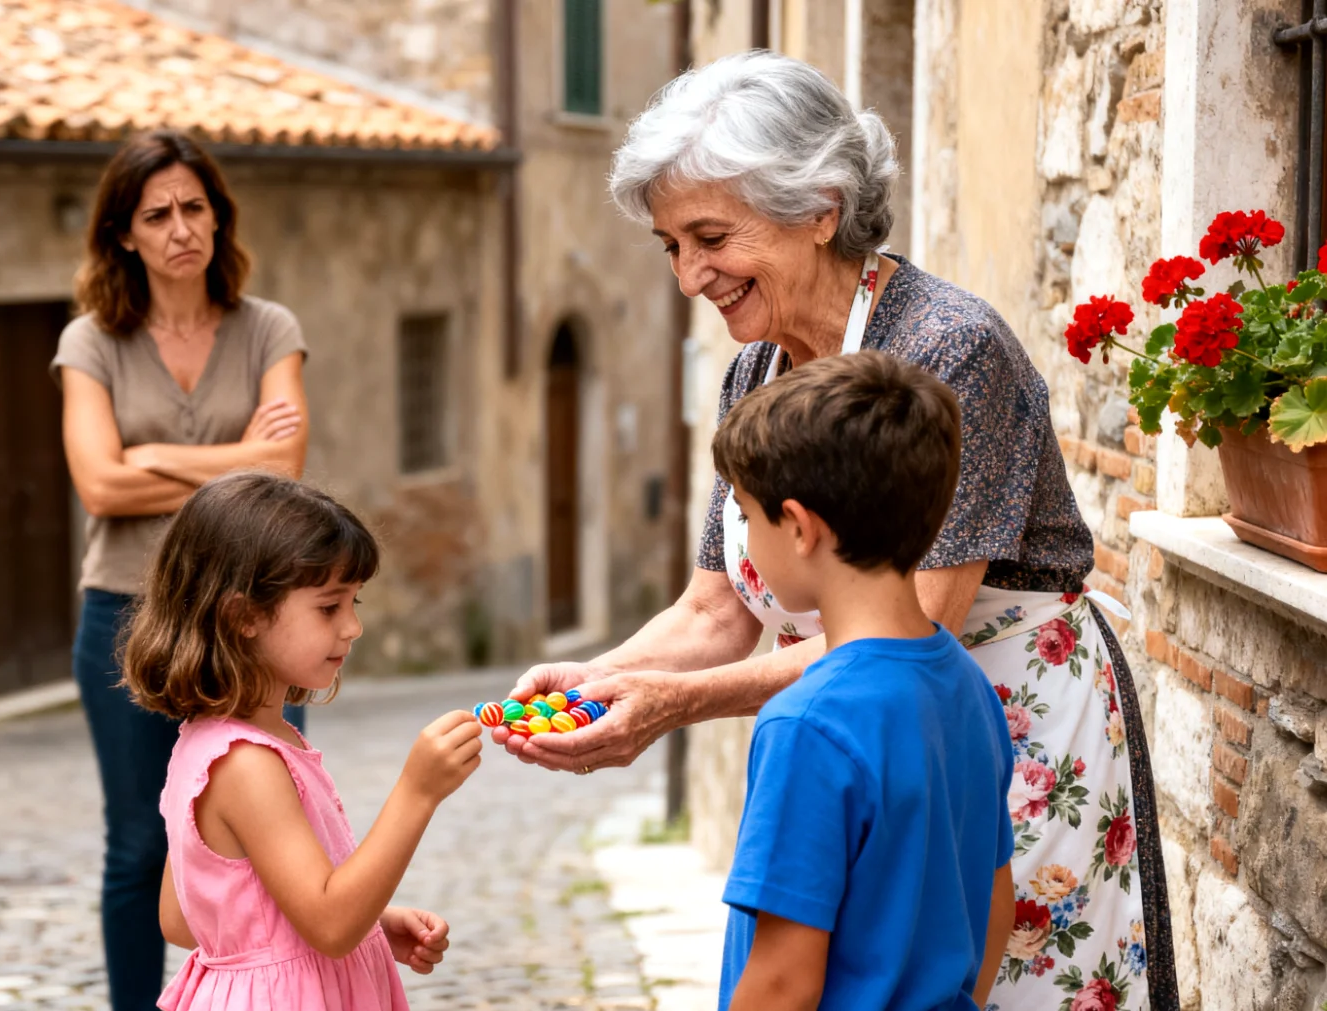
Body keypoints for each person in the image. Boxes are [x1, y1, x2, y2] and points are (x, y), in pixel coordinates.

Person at [496, 52, 1177, 1011]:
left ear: (819, 207)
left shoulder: (948, 349)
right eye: (670, 246)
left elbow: (914, 619)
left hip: (1003, 731)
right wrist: (606, 682)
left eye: (710, 236)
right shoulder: (755, 372)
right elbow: (716, 604)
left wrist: (670, 705)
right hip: (887, 735)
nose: (691, 276)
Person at [53, 130, 310, 1009]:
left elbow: (287, 472)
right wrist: (235, 455)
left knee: (279, 824)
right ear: (124, 232)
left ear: (217, 217)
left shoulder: (267, 327)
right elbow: (97, 482)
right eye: (156, 214)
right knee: (137, 847)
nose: (179, 229)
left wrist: (151, 453)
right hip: (125, 614)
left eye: (194, 208)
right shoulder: (91, 342)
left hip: (258, 618)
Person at [710, 350, 1012, 1010]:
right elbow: (996, 909)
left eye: (746, 513)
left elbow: (783, 983)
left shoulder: (806, 725)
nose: (745, 537)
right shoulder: (968, 686)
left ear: (798, 526)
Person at [121, 472, 479, 1011]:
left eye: (355, 602)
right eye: (330, 607)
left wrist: (372, 922)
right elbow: (330, 924)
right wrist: (417, 792)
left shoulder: (206, 743)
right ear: (244, 616)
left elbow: (185, 917)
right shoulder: (246, 764)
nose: (353, 626)